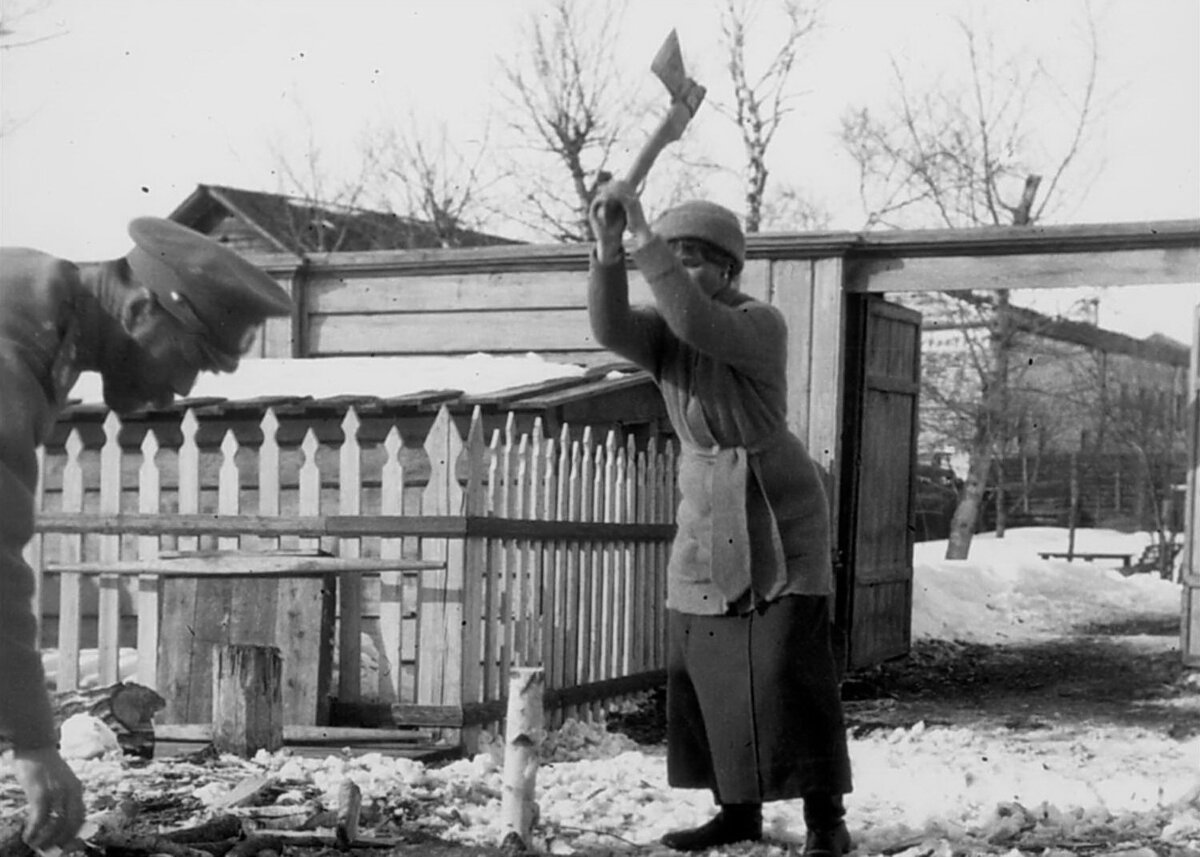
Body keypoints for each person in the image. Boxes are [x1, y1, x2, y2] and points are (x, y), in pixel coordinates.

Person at [0, 217, 293, 851]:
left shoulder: (39, 307)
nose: (182, 388)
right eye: (191, 357)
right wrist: (32, 744)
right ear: (139, 309)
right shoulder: (11, 349)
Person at [587, 183, 854, 856]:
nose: (684, 269)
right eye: (676, 255)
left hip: (777, 512)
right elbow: (610, 326)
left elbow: (694, 320)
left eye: (699, 258)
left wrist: (645, 237)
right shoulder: (665, 332)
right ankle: (736, 811)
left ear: (731, 271)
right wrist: (606, 247)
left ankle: (827, 819)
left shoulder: (758, 323)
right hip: (706, 512)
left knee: (787, 667)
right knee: (710, 666)